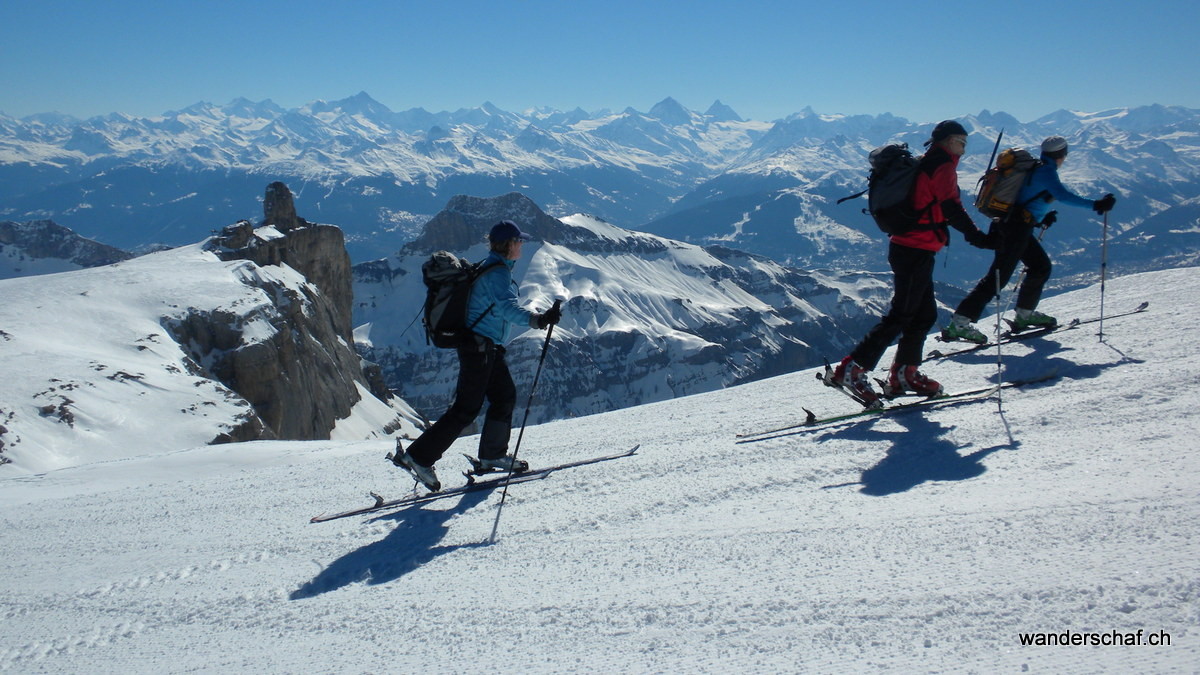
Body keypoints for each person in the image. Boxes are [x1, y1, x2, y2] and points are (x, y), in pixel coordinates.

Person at [829, 120, 993, 406]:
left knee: (923, 315)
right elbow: (950, 206)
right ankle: (851, 370)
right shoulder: (941, 165)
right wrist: (977, 236)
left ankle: (905, 373)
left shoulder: (928, 162)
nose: (964, 149)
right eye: (961, 142)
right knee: (902, 314)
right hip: (915, 248)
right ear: (947, 141)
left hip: (912, 247)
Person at [393, 220, 562, 491]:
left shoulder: (491, 266)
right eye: (519, 241)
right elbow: (508, 309)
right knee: (466, 408)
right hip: (479, 349)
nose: (522, 245)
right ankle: (418, 457)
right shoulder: (497, 274)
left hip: (486, 348)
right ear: (509, 245)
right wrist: (539, 320)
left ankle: (492, 454)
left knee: (504, 397)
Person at [943, 136, 1117, 342]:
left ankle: (1024, 314)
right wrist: (1095, 204)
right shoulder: (1046, 172)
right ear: (1062, 154)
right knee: (999, 277)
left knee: (1039, 266)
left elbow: (1025, 199)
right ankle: (960, 323)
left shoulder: (1035, 168)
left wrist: (1041, 217)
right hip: (1015, 229)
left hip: (1013, 226)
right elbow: (1062, 195)